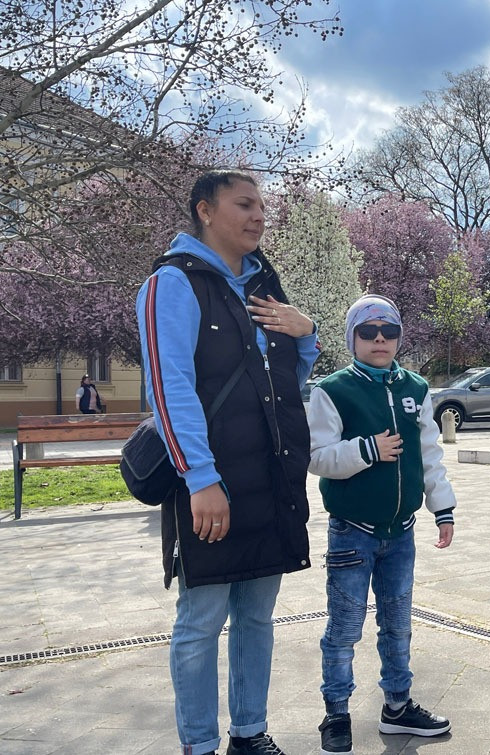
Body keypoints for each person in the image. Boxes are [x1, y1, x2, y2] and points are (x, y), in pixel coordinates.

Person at [136, 169, 320, 755]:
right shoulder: (172, 283)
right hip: (213, 483)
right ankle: (199, 744)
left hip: (272, 479)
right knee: (202, 620)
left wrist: (307, 333)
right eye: (244, 204)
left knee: (257, 617)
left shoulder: (266, 283)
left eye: (262, 205)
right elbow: (168, 389)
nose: (258, 215)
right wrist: (201, 478)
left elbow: (287, 380)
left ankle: (249, 733)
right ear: (205, 210)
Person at [308, 294, 455, 754]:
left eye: (388, 332)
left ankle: (397, 705)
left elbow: (429, 453)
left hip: (402, 532)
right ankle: (336, 712)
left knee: (398, 625)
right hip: (353, 533)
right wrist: (367, 449)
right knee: (344, 629)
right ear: (351, 338)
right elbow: (316, 457)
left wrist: (442, 507)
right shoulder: (333, 390)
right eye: (367, 332)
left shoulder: (415, 387)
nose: (379, 340)